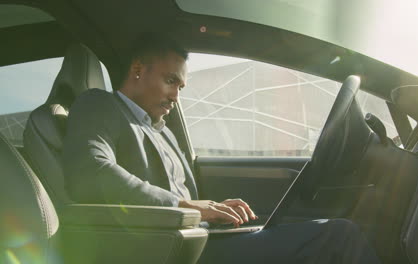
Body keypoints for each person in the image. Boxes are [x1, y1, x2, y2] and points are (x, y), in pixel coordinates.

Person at [62, 34, 381, 263]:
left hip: (199, 238)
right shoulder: (100, 105)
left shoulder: (163, 131)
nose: (176, 95)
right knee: (339, 236)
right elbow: (91, 172)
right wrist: (185, 205)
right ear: (137, 69)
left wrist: (213, 209)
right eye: (170, 81)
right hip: (167, 249)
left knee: (325, 233)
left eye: (181, 87)